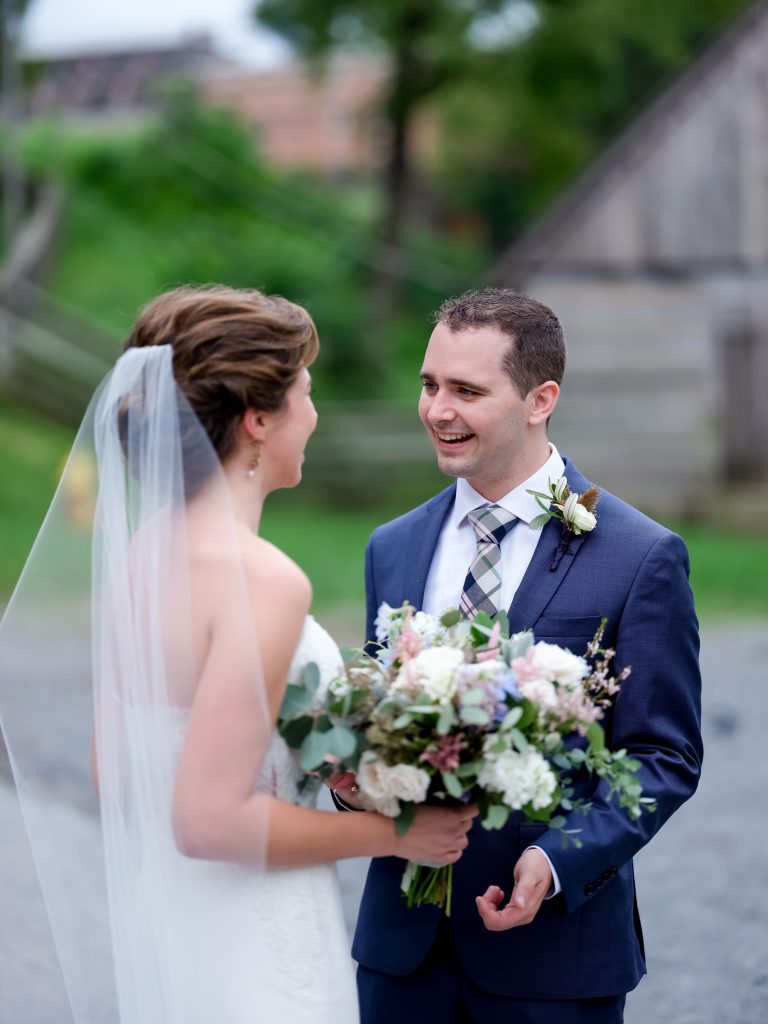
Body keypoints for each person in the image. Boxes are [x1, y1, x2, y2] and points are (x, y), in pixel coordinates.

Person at [0, 285, 475, 1024]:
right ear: (259, 420)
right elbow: (209, 821)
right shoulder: (262, 579)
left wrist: (337, 752)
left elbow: (114, 770)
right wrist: (399, 831)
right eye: (306, 393)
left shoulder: (144, 552)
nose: (314, 415)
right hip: (257, 937)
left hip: (177, 926)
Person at [334, 288, 702, 1023]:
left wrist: (559, 860)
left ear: (541, 399)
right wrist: (354, 782)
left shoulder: (640, 556)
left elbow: (663, 754)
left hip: (552, 957)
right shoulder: (394, 545)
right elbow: (375, 718)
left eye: (467, 391)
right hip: (401, 955)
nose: (438, 409)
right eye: (429, 385)